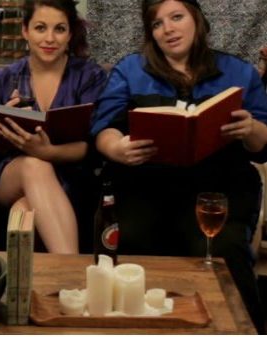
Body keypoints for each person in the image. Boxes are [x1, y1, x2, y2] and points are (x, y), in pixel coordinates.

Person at [91, 0, 267, 332]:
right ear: (150, 33)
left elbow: (263, 145)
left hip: (217, 192)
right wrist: (116, 147)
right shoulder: (130, 69)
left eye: (176, 17)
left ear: (197, 20)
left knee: (221, 248)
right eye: (157, 24)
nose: (168, 29)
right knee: (133, 242)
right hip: (144, 187)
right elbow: (104, 128)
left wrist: (252, 130)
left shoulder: (238, 72)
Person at [0, 0, 107, 254]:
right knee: (33, 165)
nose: (50, 38)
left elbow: (91, 147)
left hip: (72, 176)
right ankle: (71, 272)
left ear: (70, 34)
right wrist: (4, 128)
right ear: (25, 31)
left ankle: (28, 287)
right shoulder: (6, 78)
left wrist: (48, 152)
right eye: (40, 28)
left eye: (59, 29)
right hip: (11, 174)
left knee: (24, 209)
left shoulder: (89, 76)